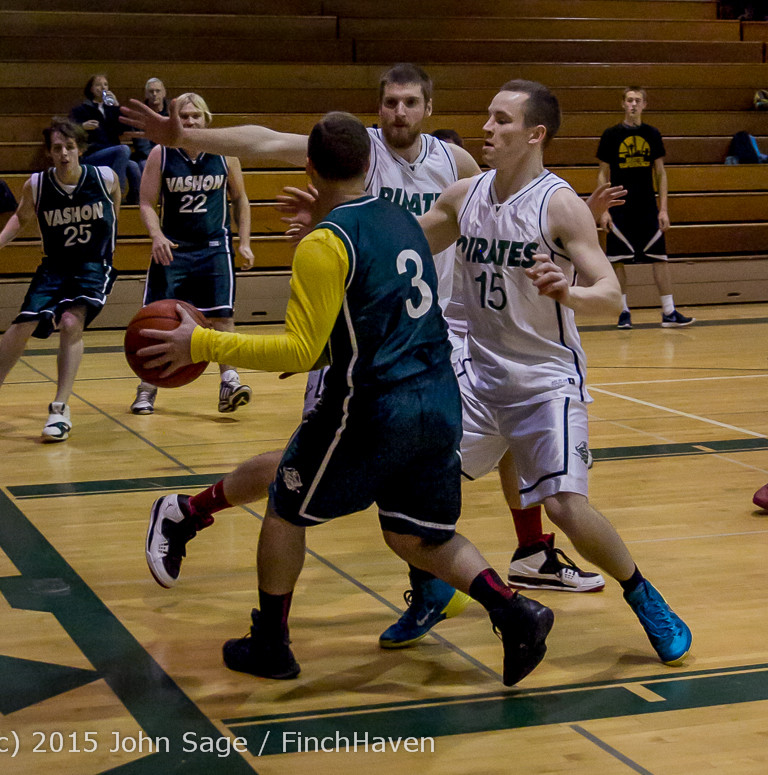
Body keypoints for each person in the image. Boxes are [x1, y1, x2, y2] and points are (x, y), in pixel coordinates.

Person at [123, 65, 603, 638]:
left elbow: (519, 193)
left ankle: (517, 556)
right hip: (357, 333)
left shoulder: (458, 164)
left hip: (434, 334)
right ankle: (192, 512)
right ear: (378, 109)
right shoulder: (355, 150)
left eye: (409, 103)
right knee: (307, 462)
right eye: (390, 103)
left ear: (428, 108)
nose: (398, 112)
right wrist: (183, 138)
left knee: (449, 456)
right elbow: (265, 141)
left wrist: (572, 228)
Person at [398, 79, 689, 667]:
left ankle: (643, 593)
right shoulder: (465, 194)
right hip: (477, 375)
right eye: (487, 116)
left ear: (535, 135)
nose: (487, 128)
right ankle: (434, 588)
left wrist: (570, 291)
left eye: (501, 120)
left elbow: (609, 294)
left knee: (564, 506)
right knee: (412, 488)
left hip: (544, 379)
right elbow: (399, 241)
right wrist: (333, 233)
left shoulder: (559, 204)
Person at [0, 118, 119, 441]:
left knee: (69, 323)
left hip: (92, 265)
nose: (63, 153)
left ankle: (60, 408)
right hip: (54, 266)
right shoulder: (36, 185)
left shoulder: (105, 178)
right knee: (22, 323)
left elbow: (115, 207)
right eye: (56, 148)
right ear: (49, 153)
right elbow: (21, 217)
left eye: (69, 146)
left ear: (80, 148)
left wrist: (109, 246)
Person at [130, 92, 253, 416]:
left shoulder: (225, 154)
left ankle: (229, 380)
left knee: (222, 317)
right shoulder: (162, 153)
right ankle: (147, 387)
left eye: (195, 116)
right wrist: (156, 235)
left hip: (214, 245)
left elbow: (240, 199)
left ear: (206, 119)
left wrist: (244, 242)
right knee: (157, 321)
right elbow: (146, 202)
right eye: (184, 117)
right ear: (175, 121)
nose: (190, 122)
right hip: (174, 247)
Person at [597, 87, 695, 329]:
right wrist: (604, 209)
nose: (633, 104)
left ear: (644, 105)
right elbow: (602, 174)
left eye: (637, 100)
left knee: (659, 259)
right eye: (629, 100)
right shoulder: (610, 135)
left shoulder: (652, 134)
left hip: (647, 206)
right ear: (623, 104)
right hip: (619, 205)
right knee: (617, 260)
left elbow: (660, 173)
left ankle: (669, 312)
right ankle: (623, 312)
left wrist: (663, 209)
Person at [70, 74, 141, 204]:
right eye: (98, 85)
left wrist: (117, 107)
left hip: (114, 154)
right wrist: (83, 126)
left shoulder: (111, 110)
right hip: (92, 154)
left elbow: (124, 129)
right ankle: (115, 194)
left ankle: (135, 203)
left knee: (134, 166)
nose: (102, 87)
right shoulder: (81, 109)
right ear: (91, 89)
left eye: (105, 85)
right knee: (124, 150)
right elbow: (69, 130)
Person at [131, 78, 168, 172]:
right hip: (147, 157)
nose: (154, 94)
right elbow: (142, 147)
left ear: (164, 93)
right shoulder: (138, 115)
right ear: (146, 94)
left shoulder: (172, 113)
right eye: (151, 91)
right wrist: (159, 159)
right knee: (146, 166)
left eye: (158, 91)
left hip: (170, 155)